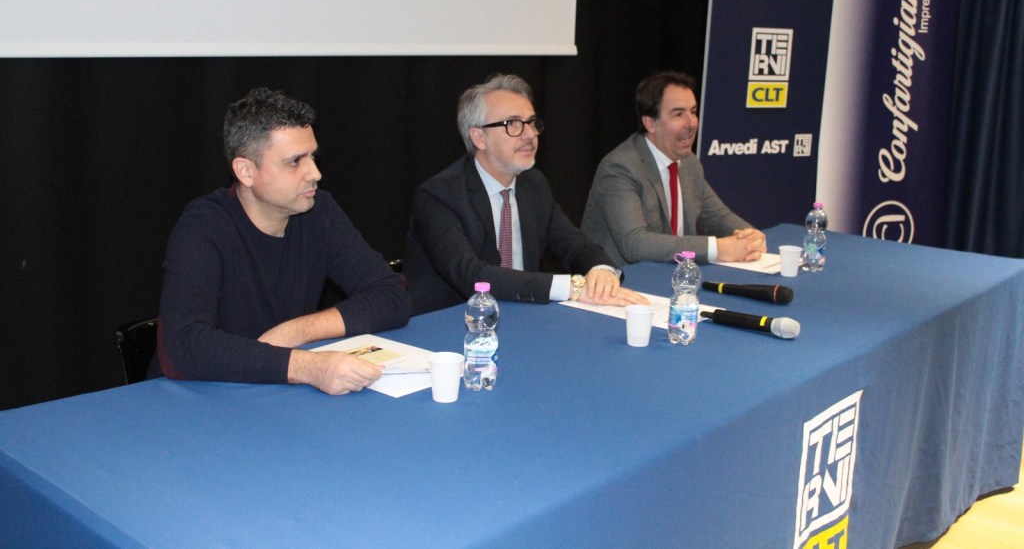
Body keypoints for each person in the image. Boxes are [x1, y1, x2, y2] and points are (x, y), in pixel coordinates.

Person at [152, 88, 411, 395]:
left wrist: (295, 332)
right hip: (200, 402)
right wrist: (307, 367)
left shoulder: (319, 211)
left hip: (277, 398)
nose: (315, 173)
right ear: (246, 171)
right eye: (294, 162)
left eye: (312, 157)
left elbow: (392, 296)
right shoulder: (203, 226)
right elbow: (185, 345)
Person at [404, 73, 649, 315]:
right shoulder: (439, 195)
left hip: (523, 316)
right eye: (513, 124)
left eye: (531, 122)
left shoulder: (533, 184)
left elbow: (573, 244)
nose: (530, 134)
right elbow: (472, 276)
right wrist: (572, 287)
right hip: (449, 326)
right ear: (479, 137)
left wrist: (602, 269)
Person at [581, 70, 766, 266]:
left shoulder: (689, 163)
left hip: (671, 276)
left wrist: (748, 236)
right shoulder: (620, 168)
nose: (692, 123)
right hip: (620, 282)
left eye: (693, 112)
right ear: (651, 123)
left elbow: (716, 216)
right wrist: (717, 249)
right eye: (678, 114)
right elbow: (634, 244)